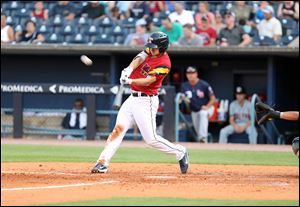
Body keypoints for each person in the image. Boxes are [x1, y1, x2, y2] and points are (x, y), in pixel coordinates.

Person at [91, 32, 189, 174]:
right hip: (132, 99)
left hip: (146, 101)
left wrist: (130, 81)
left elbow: (149, 80)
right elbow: (140, 57)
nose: (150, 49)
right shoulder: (150, 51)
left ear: (162, 48)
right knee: (118, 130)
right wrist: (129, 69)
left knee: (151, 139)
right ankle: (102, 162)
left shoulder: (164, 64)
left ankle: (180, 151)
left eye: (154, 47)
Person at [181, 66, 216, 143]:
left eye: (192, 73)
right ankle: (203, 141)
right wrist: (184, 99)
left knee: (203, 114)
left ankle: (203, 138)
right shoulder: (184, 86)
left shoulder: (204, 84)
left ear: (196, 74)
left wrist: (207, 106)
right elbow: (182, 98)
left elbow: (213, 98)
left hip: (207, 108)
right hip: (195, 110)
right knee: (198, 130)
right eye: (188, 73)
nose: (190, 75)